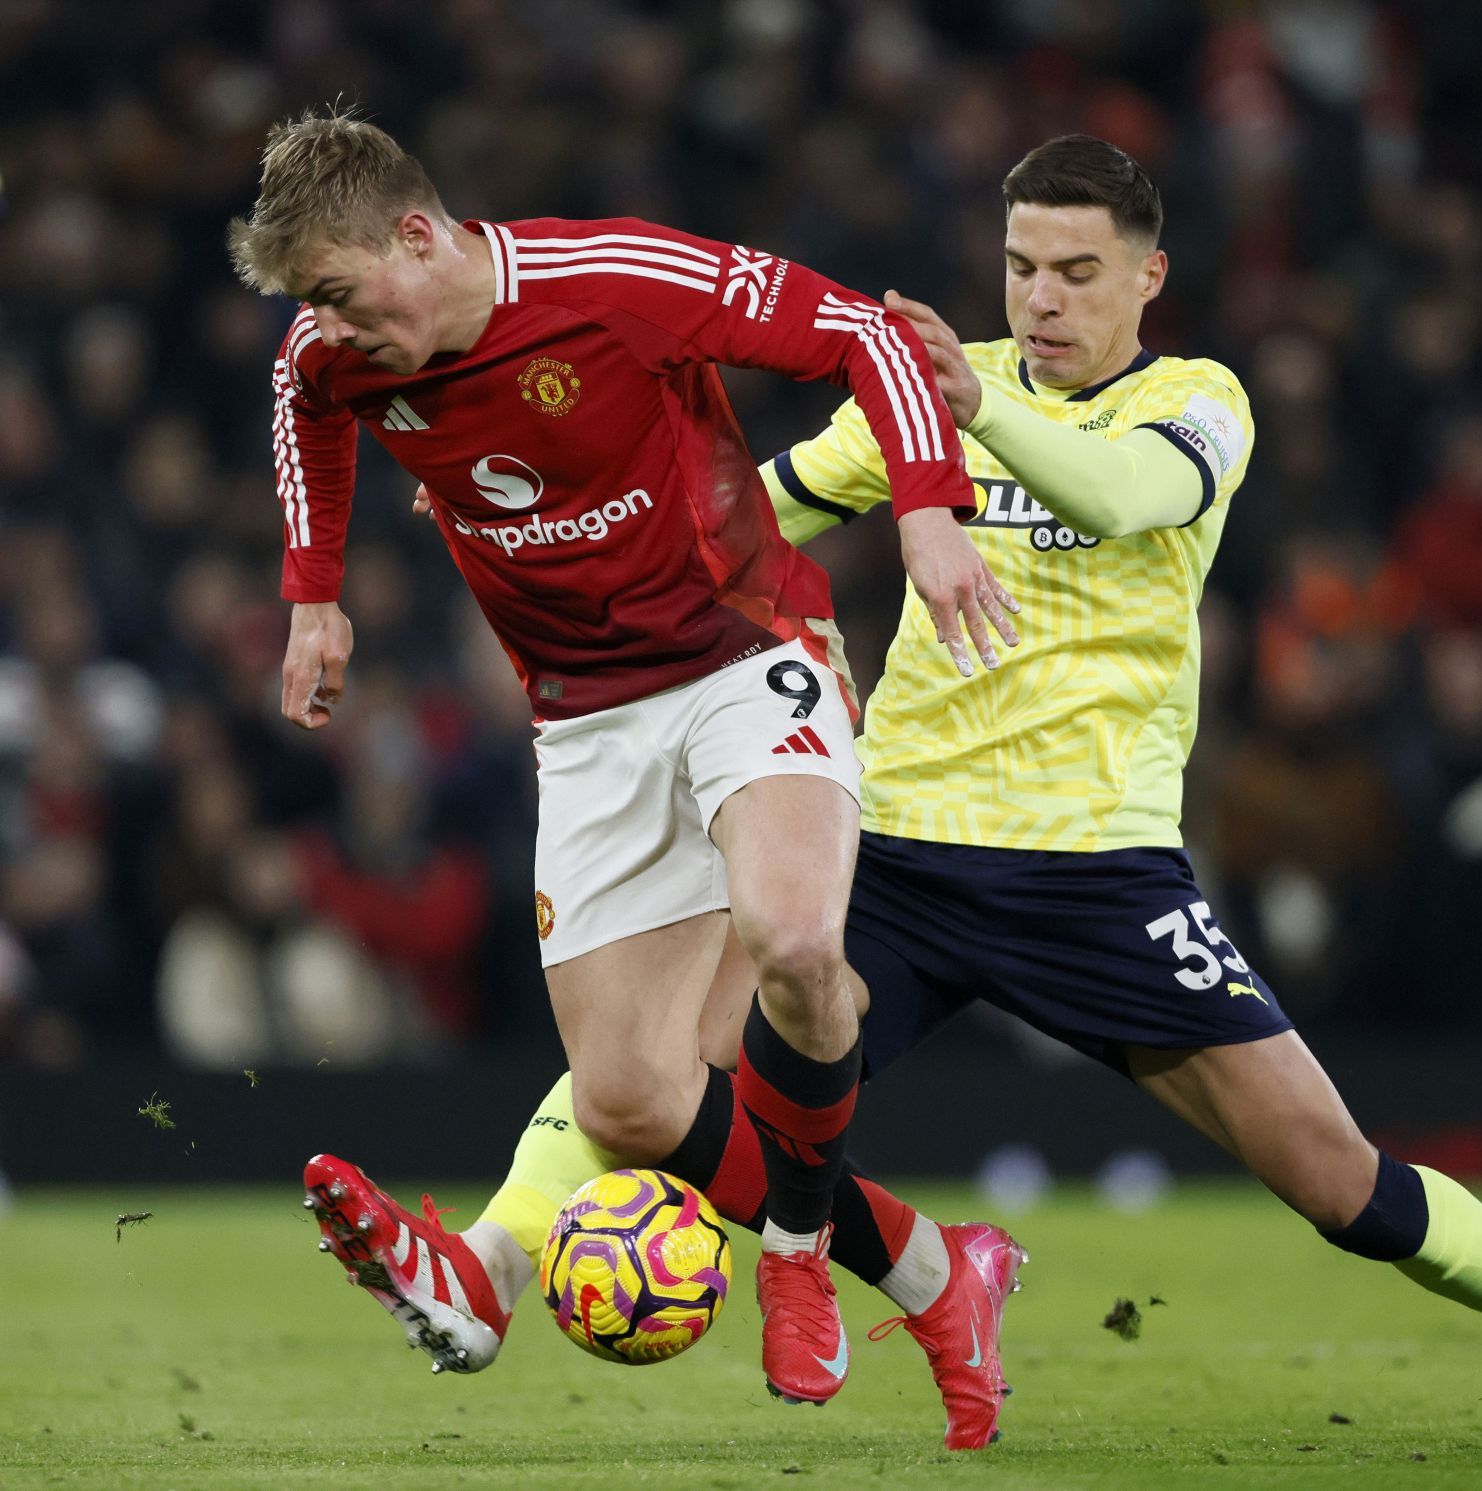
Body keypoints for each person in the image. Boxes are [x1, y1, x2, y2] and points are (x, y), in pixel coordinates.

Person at [370, 135, 1482, 1447]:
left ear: (1148, 277)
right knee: (654, 1077)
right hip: (904, 848)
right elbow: (758, 509)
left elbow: (1124, 503)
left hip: (1102, 877)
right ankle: (490, 1269)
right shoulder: (931, 397)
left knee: (1339, 1182)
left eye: (1075, 272)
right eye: (1018, 269)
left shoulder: (1198, 404)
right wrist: (544, 504)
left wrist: (970, 399)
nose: (1042, 298)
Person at [225, 107, 1026, 1415]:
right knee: (641, 1097)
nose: (327, 327)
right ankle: (941, 1274)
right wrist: (314, 594)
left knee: (797, 948)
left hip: (743, 652)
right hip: (587, 721)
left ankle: (789, 1257)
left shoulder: (615, 282)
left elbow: (865, 334)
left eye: (337, 293)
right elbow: (298, 401)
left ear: (418, 235)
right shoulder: (339, 350)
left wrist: (930, 519)